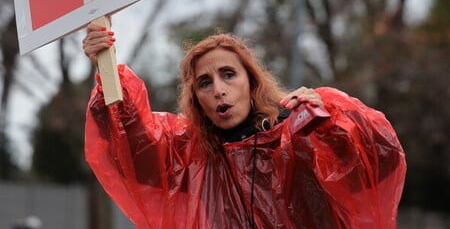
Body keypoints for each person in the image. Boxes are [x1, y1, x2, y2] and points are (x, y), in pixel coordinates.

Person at [83, 23, 406, 229]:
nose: (218, 90)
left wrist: (334, 121)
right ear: (196, 98)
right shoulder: (191, 155)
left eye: (228, 74)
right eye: (204, 83)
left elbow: (378, 160)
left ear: (251, 81)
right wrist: (105, 63)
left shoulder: (298, 132)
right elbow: (132, 146)